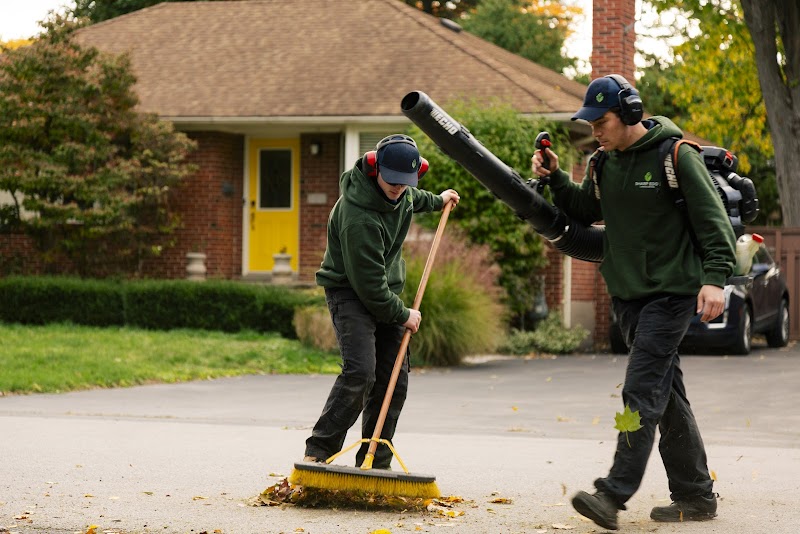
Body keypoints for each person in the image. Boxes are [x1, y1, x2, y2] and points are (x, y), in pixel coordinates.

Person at [531, 75, 735, 530]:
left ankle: (613, 493)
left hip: (671, 294)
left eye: (600, 122)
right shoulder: (604, 163)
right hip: (628, 297)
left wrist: (715, 279)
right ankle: (696, 495)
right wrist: (557, 176)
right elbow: (585, 211)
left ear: (629, 113)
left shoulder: (676, 156)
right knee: (667, 397)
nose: (594, 131)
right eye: (590, 123)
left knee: (639, 393)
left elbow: (713, 222)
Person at [304, 134, 460, 469]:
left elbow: (413, 198)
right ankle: (318, 452)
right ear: (375, 169)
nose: (398, 188)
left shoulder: (402, 192)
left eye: (405, 182)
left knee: (394, 380)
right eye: (392, 182)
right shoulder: (357, 215)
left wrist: (439, 199)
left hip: (383, 293)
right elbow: (370, 288)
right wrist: (404, 314)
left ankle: (376, 463)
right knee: (361, 373)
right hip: (350, 292)